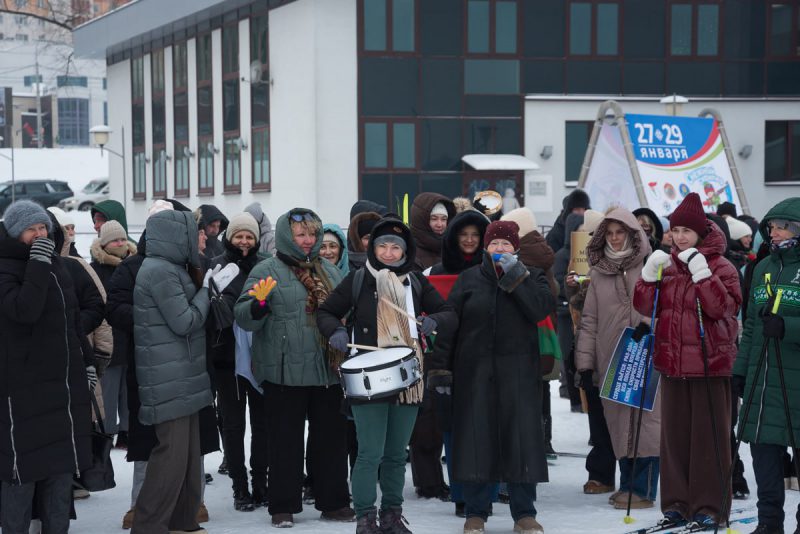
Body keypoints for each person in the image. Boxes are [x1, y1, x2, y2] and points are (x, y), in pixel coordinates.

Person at [317, 217, 456, 534]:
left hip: (408, 377)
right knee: (369, 453)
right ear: (373, 249)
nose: (389, 253)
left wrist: (434, 321)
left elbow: (448, 313)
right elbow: (326, 311)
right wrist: (336, 330)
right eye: (383, 246)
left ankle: (392, 514)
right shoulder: (358, 279)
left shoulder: (415, 281)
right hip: (368, 377)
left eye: (396, 247)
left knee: (395, 454)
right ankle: (365, 517)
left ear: (405, 251)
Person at [234, 208, 354, 528]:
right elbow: (244, 317)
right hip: (283, 371)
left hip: (327, 369)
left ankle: (334, 502)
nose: (308, 240)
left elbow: (348, 310)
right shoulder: (266, 270)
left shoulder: (330, 272)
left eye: (312, 234)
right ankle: (283, 506)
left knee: (330, 441)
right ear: (287, 236)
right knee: (284, 442)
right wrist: (258, 303)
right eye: (301, 235)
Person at [634, 193, 741, 530]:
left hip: (710, 366)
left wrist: (702, 273)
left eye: (686, 231)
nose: (679, 237)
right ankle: (677, 505)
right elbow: (644, 306)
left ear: (700, 232)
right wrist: (648, 277)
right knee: (675, 441)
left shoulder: (722, 266)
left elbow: (723, 309)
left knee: (708, 441)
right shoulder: (667, 264)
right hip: (673, 364)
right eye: (675, 230)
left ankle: (710, 507)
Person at [131, 209, 237, 534]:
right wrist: (206, 290)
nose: (202, 238)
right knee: (171, 458)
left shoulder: (172, 268)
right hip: (169, 378)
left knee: (189, 457)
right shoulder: (160, 271)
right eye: (197, 233)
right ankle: (149, 525)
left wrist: (206, 288)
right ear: (179, 236)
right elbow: (185, 321)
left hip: (183, 375)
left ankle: (182, 521)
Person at [447, 220, 556, 534]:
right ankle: (476, 513)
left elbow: (539, 309)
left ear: (515, 248)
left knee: (520, 444)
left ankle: (524, 513)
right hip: (475, 374)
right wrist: (442, 368)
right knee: (478, 442)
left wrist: (516, 276)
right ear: (485, 247)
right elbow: (451, 325)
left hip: (519, 375)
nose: (499, 248)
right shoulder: (468, 279)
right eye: (494, 243)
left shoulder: (532, 276)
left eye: (505, 244)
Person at [0, 200, 92, 534]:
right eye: (31, 229)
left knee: (59, 474)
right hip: (22, 392)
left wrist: (87, 362)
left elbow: (72, 321)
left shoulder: (56, 265)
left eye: (43, 228)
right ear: (15, 233)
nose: (40, 234)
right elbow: (23, 311)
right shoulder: (6, 268)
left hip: (62, 389)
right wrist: (37, 265)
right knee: (21, 476)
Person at [575, 208, 660, 509]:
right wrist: (585, 364)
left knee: (646, 424)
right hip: (611, 359)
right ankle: (627, 484)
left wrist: (649, 325)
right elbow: (589, 321)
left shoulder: (652, 266)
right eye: (609, 233)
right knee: (619, 424)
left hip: (645, 354)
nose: (614, 238)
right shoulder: (599, 272)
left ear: (632, 233)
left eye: (619, 232)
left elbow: (666, 307)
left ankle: (643, 490)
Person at [733, 198, 800, 534]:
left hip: (796, 384)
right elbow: (751, 327)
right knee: (764, 458)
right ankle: (769, 524)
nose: (773, 232)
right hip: (763, 380)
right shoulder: (762, 269)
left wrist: (788, 327)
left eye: (781, 227)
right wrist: (739, 370)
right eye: (771, 227)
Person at [209, 212, 270, 513]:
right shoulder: (217, 267)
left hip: (260, 356)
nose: (244, 241)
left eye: (249, 236)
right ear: (230, 237)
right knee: (233, 425)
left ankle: (260, 482)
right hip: (226, 358)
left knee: (262, 424)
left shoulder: (265, 266)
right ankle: (239, 486)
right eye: (239, 236)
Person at [91, 220, 137, 449]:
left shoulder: (135, 265)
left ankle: (127, 432)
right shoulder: (95, 269)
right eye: (114, 240)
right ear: (104, 244)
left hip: (132, 338)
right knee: (108, 394)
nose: (120, 243)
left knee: (129, 393)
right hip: (108, 340)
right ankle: (106, 436)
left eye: (122, 239)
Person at [410, 192, 456, 270]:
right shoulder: (408, 252)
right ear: (420, 220)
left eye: (444, 219)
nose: (439, 224)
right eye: (434, 219)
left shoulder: (454, 249)